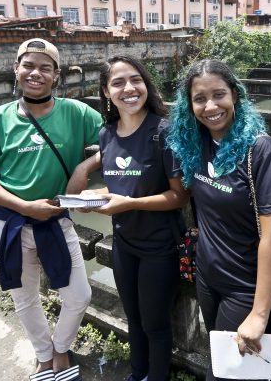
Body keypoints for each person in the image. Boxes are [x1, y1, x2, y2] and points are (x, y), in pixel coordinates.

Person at [0, 38, 102, 381]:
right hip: (8, 221)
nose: (35, 73)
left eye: (45, 67)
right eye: (28, 65)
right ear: (16, 69)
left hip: (55, 221)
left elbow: (121, 138)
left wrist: (85, 168)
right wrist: (24, 205)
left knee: (79, 295)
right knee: (24, 297)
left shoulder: (77, 112)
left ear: (56, 75)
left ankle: (60, 346)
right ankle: (44, 356)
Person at [166, 59, 271, 381]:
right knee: (224, 363)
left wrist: (259, 313)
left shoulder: (261, 151)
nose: (210, 106)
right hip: (208, 279)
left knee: (227, 375)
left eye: (218, 95)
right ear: (189, 104)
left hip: (245, 286)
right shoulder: (197, 145)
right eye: (199, 99)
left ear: (235, 95)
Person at [81, 55, 188, 381]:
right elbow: (115, 188)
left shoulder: (164, 130)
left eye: (135, 80)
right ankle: (137, 372)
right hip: (124, 242)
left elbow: (179, 196)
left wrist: (128, 203)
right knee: (133, 316)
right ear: (106, 91)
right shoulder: (106, 134)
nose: (129, 88)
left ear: (146, 84)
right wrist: (92, 199)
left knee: (155, 323)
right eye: (118, 82)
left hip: (160, 246)